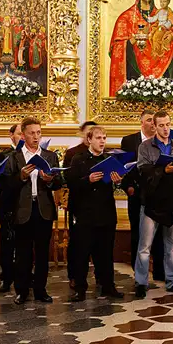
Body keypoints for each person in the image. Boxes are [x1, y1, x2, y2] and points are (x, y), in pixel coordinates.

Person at [4, 116, 63, 305]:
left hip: (43, 209)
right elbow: (5, 184)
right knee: (23, 253)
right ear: (23, 135)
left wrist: (50, 180)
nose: (36, 137)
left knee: (42, 252)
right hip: (22, 210)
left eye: (39, 133)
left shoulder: (50, 156)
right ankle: (21, 291)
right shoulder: (14, 157)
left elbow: (59, 182)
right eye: (32, 133)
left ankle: (40, 290)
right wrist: (20, 176)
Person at [65, 126, 124, 302]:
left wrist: (118, 181)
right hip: (85, 214)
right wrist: (88, 180)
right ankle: (80, 288)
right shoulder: (79, 159)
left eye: (104, 138)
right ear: (89, 139)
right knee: (81, 253)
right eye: (98, 138)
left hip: (105, 213)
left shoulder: (109, 159)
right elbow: (72, 183)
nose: (102, 141)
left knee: (105, 253)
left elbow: (116, 184)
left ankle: (108, 286)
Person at [134, 111, 173, 298]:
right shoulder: (145, 147)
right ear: (154, 127)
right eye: (161, 125)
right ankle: (141, 282)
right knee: (145, 246)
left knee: (172, 244)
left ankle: (172, 280)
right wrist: (163, 170)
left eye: (168, 124)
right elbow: (143, 172)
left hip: (172, 200)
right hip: (151, 201)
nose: (166, 129)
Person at [62, 121, 98, 289]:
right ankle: (75, 277)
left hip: (98, 206)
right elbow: (69, 179)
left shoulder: (102, 154)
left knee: (99, 244)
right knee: (77, 243)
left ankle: (101, 277)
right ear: (83, 134)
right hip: (79, 205)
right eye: (88, 133)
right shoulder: (73, 154)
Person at [120, 110, 156, 272]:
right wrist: (128, 187)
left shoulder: (162, 140)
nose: (152, 123)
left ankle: (159, 270)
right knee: (137, 230)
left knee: (159, 232)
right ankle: (138, 269)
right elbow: (124, 167)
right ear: (141, 123)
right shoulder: (129, 141)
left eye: (154, 120)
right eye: (149, 120)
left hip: (157, 191)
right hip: (136, 191)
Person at [0, 123, 23, 294]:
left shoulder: (32, 154)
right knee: (7, 242)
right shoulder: (3, 155)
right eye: (20, 133)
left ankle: (24, 276)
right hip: (9, 204)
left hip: (26, 204)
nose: (23, 137)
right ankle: (6, 277)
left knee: (25, 244)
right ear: (11, 135)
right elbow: (1, 181)